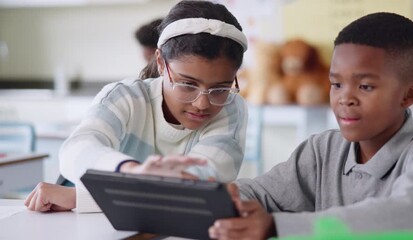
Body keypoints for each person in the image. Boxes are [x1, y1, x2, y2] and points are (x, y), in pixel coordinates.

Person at [209, 12, 413, 239]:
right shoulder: (323, 150)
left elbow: (408, 214)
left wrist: (275, 225)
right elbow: (259, 193)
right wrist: (227, 201)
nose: (344, 98)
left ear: (409, 95)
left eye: (365, 86)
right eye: (336, 84)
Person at [25, 0, 249, 213]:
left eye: (220, 88)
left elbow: (198, 188)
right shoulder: (126, 97)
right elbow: (76, 151)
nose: (202, 103)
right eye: (187, 84)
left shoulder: (230, 107)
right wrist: (132, 170)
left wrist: (80, 198)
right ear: (161, 62)